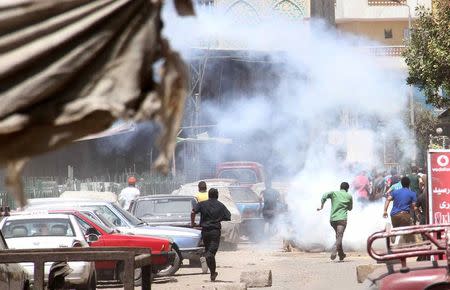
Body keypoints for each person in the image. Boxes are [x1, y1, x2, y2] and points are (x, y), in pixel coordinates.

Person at [191, 188, 231, 282]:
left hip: (205, 232)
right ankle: (205, 257)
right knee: (210, 253)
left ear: (208, 195)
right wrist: (218, 218)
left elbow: (193, 212)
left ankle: (213, 273)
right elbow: (228, 216)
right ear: (217, 196)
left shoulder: (202, 204)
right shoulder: (220, 205)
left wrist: (192, 223)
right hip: (214, 232)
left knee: (210, 253)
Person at [317, 182, 353, 261]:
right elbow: (350, 208)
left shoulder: (334, 193)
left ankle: (341, 254)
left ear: (340, 187)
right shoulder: (349, 196)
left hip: (333, 220)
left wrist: (321, 206)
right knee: (339, 237)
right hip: (342, 219)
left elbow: (324, 196)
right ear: (347, 189)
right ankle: (334, 251)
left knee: (338, 236)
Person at [383, 176, 419, 243]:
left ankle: (394, 234)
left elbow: (388, 199)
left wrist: (385, 211)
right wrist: (417, 214)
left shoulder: (395, 192)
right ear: (409, 184)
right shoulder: (412, 193)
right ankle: (409, 245)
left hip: (394, 215)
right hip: (405, 215)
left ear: (401, 183)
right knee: (409, 231)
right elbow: (414, 207)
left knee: (396, 228)